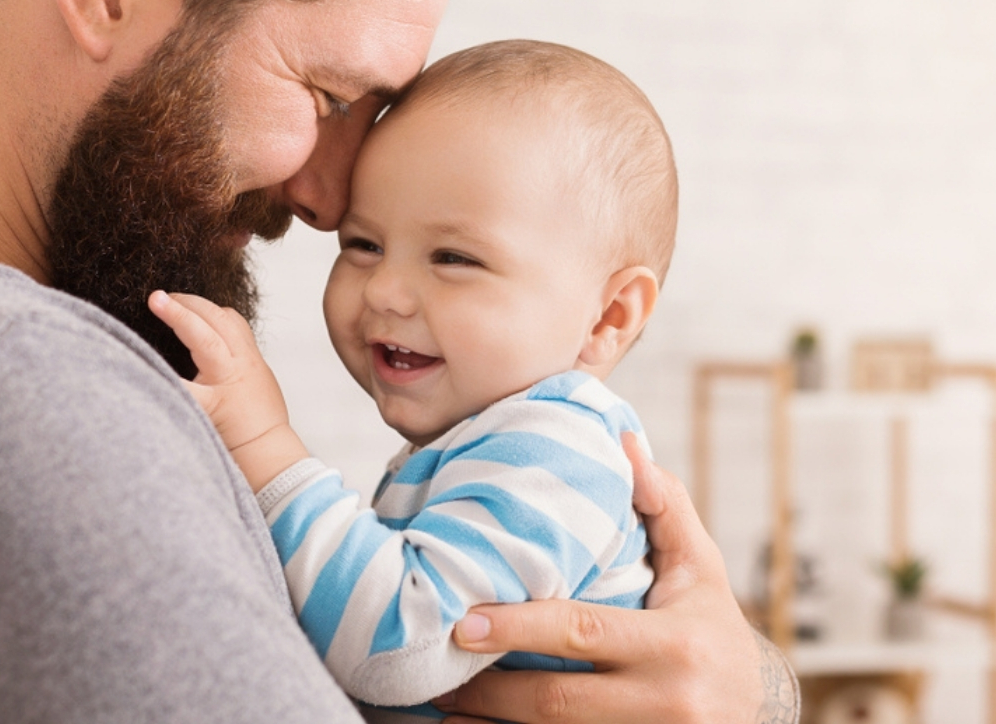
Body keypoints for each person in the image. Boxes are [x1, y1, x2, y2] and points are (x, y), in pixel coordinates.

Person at [0, 0, 798, 722]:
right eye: (328, 93)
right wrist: (753, 693)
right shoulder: (2, 385)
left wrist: (740, 683)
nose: (331, 197)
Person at [149, 39, 676, 721]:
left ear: (607, 316)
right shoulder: (487, 440)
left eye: (454, 257)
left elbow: (399, 644)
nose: (387, 292)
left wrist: (263, 444)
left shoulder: (558, 449)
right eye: (363, 246)